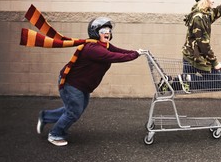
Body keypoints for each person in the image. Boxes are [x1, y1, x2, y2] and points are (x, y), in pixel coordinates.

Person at [36, 17, 142, 146]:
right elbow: (114, 56)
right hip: (72, 84)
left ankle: (45, 116)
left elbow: (119, 51)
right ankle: (55, 134)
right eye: (103, 30)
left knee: (75, 109)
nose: (107, 32)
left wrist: (136, 52)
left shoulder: (105, 45)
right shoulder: (93, 48)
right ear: (95, 32)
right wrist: (134, 55)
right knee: (74, 112)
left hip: (82, 85)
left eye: (109, 30)